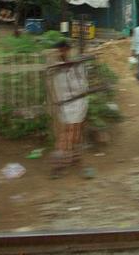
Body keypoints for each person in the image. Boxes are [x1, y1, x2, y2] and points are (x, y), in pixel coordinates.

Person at [49, 40, 89, 178]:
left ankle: (73, 159)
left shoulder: (78, 64)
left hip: (78, 102)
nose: (62, 53)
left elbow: (83, 82)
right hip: (65, 104)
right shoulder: (55, 67)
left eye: (64, 50)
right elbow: (56, 80)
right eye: (60, 50)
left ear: (68, 50)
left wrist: (74, 64)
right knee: (66, 133)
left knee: (75, 132)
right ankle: (59, 165)